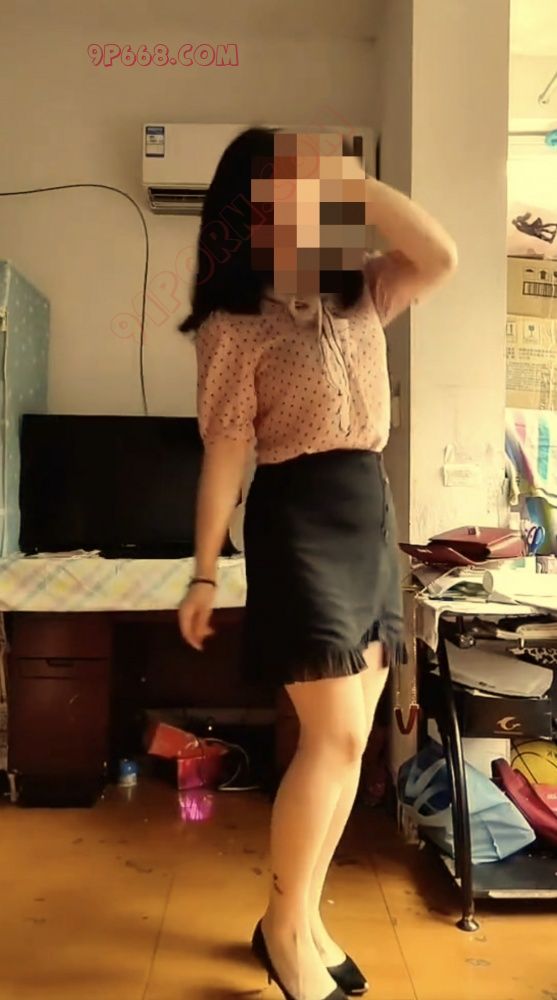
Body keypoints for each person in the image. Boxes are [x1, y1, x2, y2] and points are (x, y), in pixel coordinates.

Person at [177, 127, 457, 1000]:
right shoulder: (232, 322)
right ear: (247, 212)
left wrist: (346, 183)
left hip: (367, 510)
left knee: (351, 742)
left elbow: (440, 254)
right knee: (330, 739)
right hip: (296, 519)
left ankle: (297, 919)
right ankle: (284, 929)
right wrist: (202, 569)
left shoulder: (363, 289)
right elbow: (226, 453)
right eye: (276, 192)